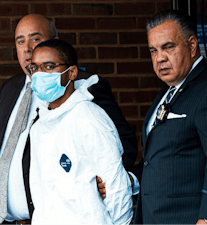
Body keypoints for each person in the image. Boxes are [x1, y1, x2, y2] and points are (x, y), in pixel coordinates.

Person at [0, 14, 138, 225]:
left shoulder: (86, 93)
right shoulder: (10, 89)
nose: (27, 49)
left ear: (54, 40)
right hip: (8, 220)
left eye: (35, 39)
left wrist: (108, 180)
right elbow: (0, 155)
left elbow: (118, 142)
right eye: (20, 41)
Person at [132, 10, 207, 225]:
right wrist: (132, 180)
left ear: (192, 46)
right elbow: (157, 158)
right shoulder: (167, 91)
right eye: (153, 50)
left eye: (168, 47)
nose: (160, 58)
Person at [28, 39, 133, 225]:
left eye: (49, 66)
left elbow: (116, 188)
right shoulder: (38, 128)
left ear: (72, 73)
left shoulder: (88, 117)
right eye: (35, 68)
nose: (40, 74)